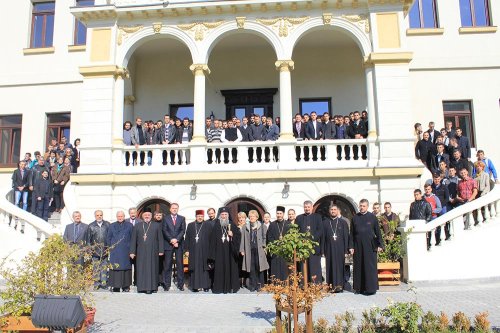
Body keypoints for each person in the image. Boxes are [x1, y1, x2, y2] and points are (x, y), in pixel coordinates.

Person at [349, 199, 384, 295]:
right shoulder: (355, 218)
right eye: (360, 206)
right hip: (358, 246)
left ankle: (371, 288)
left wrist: (380, 245)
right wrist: (351, 246)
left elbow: (378, 232)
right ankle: (359, 288)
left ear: (367, 207)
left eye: (363, 206)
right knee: (359, 266)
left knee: (370, 267)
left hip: (370, 246)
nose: (361, 207)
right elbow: (351, 234)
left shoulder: (372, 217)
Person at [129, 209, 164, 294]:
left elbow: (160, 238)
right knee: (141, 269)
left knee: (152, 269)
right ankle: (141, 288)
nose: (147, 216)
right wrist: (132, 252)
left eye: (148, 215)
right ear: (142, 216)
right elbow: (133, 239)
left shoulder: (156, 225)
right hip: (140, 252)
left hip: (153, 251)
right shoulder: (137, 226)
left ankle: (151, 288)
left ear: (151, 216)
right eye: (145, 215)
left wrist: (161, 250)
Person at [208, 207, 241, 294]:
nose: (224, 216)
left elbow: (238, 238)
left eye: (225, 214)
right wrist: (212, 255)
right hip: (219, 253)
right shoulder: (216, 225)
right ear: (220, 215)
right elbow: (212, 241)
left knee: (231, 268)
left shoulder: (232, 225)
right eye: (222, 214)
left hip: (230, 252)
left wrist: (232, 235)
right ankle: (219, 288)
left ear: (228, 215)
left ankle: (231, 287)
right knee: (219, 269)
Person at [322, 205, 350, 292]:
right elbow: (323, 237)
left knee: (340, 267)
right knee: (329, 267)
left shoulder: (343, 222)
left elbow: (346, 237)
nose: (333, 211)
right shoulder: (325, 222)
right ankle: (330, 286)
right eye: (331, 209)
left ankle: (340, 286)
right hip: (329, 249)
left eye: (334, 209)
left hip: (340, 249)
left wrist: (346, 250)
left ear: (337, 211)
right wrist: (323, 250)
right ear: (329, 211)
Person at [240, 210, 268, 291]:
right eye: (250, 216)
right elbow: (243, 239)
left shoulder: (262, 226)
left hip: (260, 251)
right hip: (249, 251)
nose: (252, 218)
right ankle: (252, 285)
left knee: (259, 267)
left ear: (257, 217)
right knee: (251, 268)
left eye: (253, 216)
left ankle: (260, 285)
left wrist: (264, 247)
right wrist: (242, 249)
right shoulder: (245, 227)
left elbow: (264, 238)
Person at [185, 210, 212, 292]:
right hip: (193, 251)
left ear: (203, 217)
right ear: (196, 217)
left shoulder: (208, 225)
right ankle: (195, 286)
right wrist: (186, 249)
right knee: (194, 268)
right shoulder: (190, 225)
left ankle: (206, 286)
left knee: (204, 268)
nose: (200, 217)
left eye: (201, 216)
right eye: (198, 216)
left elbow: (211, 239)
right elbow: (187, 238)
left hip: (205, 250)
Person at [296, 200, 323, 284]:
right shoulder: (299, 218)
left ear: (312, 207)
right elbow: (296, 231)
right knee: (303, 266)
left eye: (308, 207)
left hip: (314, 247)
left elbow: (320, 230)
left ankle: (315, 284)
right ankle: (303, 284)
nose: (307, 209)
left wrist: (312, 240)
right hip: (302, 247)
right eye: (305, 207)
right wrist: (301, 240)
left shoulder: (318, 217)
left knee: (314, 266)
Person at [107, 211, 133, 292]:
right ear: (116, 217)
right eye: (118, 216)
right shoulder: (112, 225)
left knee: (125, 268)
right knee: (115, 268)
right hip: (115, 251)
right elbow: (108, 238)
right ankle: (116, 286)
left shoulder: (129, 225)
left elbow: (132, 238)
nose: (120, 217)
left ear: (124, 216)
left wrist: (132, 250)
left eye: (121, 216)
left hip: (126, 251)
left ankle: (126, 286)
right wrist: (111, 248)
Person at [162, 203, 186, 291]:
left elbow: (183, 230)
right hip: (168, 244)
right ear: (170, 209)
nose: (174, 209)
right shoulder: (165, 218)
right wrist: (172, 240)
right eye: (173, 208)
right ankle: (167, 284)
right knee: (167, 265)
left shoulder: (182, 218)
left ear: (178, 209)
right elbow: (164, 230)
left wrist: (177, 240)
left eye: (176, 208)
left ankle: (181, 284)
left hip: (179, 245)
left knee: (180, 265)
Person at [86, 210, 111, 289]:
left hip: (105, 250)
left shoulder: (107, 225)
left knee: (104, 267)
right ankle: (96, 283)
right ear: (95, 216)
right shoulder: (91, 226)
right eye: (97, 215)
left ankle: (104, 283)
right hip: (95, 251)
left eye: (100, 215)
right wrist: (90, 250)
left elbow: (110, 237)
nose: (99, 216)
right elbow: (88, 240)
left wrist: (109, 248)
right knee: (96, 268)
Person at [266, 206, 290, 281]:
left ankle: (284, 283)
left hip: (285, 250)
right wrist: (276, 243)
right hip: (275, 250)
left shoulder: (288, 224)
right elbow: (269, 236)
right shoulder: (272, 224)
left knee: (284, 267)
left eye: (280, 213)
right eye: (277, 213)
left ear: (283, 214)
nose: (279, 215)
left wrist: (284, 242)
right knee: (275, 267)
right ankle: (275, 283)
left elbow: (290, 236)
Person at [431, 174, 451, 243]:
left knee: (443, 222)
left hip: (442, 207)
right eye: (435, 179)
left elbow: (447, 198)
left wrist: (441, 205)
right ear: (433, 179)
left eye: (438, 179)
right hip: (435, 208)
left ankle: (446, 235)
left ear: (440, 179)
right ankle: (437, 238)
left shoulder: (444, 187)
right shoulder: (431, 187)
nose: (437, 181)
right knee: (435, 223)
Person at [423, 184, 442, 250]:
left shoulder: (435, 197)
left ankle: (437, 242)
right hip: (426, 218)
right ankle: (428, 245)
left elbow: (439, 208)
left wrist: (433, 210)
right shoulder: (423, 198)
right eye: (426, 189)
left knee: (435, 231)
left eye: (428, 189)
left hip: (434, 217)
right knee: (427, 232)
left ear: (431, 189)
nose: (427, 191)